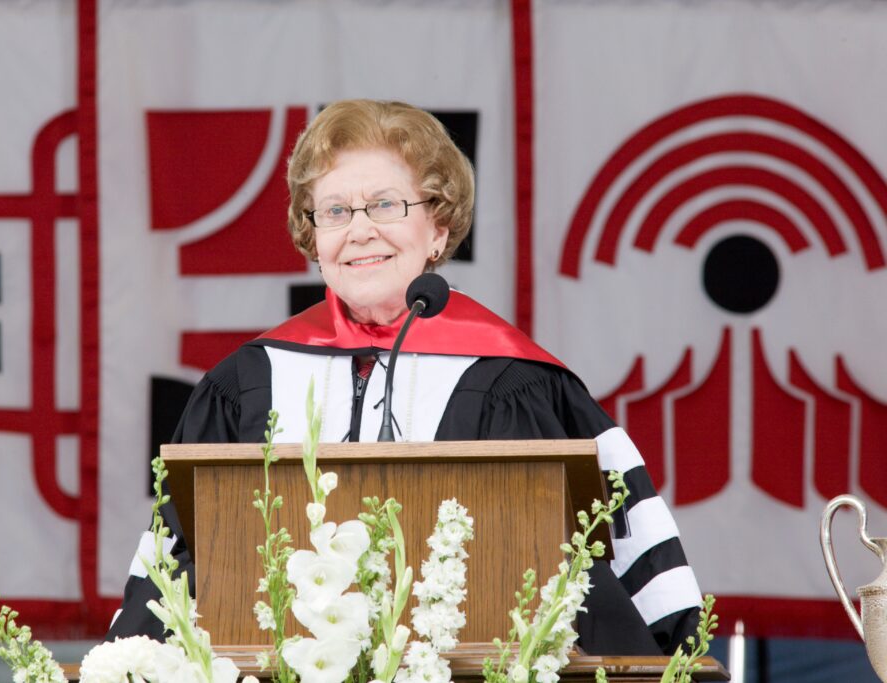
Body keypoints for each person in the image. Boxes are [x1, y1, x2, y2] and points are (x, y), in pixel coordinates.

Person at [108, 99, 702, 655]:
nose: (359, 229)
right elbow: (175, 571)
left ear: (438, 229)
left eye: (387, 205)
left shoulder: (517, 382)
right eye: (335, 211)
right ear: (313, 236)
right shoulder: (246, 385)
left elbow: (615, 572)